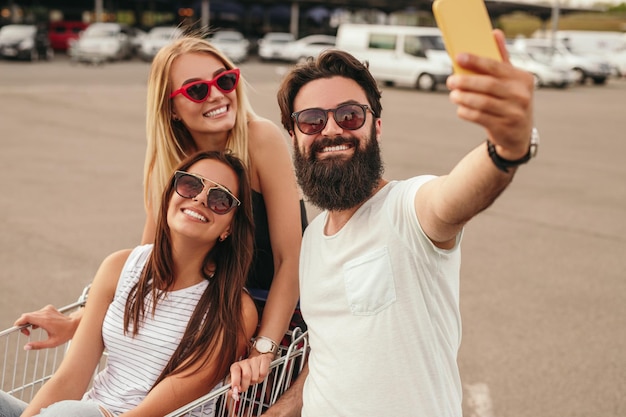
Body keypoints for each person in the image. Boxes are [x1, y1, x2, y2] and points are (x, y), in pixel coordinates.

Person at [239, 30, 537, 416]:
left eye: (349, 115)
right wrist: (284, 409)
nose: (331, 130)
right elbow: (332, 351)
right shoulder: (311, 240)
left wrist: (506, 149)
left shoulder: (407, 210)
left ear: (375, 127)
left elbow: (452, 198)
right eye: (312, 121)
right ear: (294, 136)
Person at [14, 35, 305, 385]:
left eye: (224, 80)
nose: (216, 94)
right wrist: (80, 319)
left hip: (269, 317)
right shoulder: (170, 168)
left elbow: (291, 258)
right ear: (170, 107)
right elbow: (149, 264)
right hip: (206, 323)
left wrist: (263, 348)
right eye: (196, 89)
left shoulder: (260, 138)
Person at [0, 151, 258, 417]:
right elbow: (70, 378)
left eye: (220, 199)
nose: (201, 198)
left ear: (229, 227)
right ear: (171, 195)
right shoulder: (120, 267)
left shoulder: (234, 307)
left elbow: (164, 404)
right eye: (190, 184)